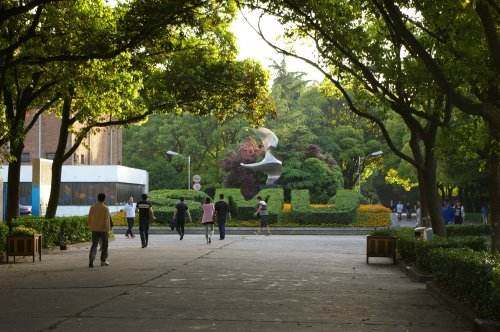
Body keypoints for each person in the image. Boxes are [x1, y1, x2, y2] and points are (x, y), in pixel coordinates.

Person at [87, 193, 112, 268]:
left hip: (94, 229)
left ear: (97, 198)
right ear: (104, 199)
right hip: (103, 229)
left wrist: (90, 226)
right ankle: (103, 261)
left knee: (94, 245)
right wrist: (108, 229)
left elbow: (89, 218)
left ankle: (91, 261)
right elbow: (107, 220)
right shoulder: (105, 208)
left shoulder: (92, 207)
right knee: (104, 245)